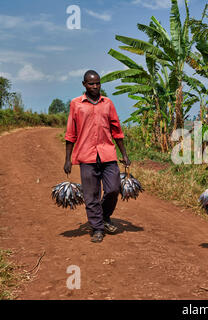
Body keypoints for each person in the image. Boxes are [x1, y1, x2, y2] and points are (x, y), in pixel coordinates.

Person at [64, 70, 131, 243]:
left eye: (98, 83)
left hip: (108, 154)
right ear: (84, 84)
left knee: (113, 189)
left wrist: (124, 154)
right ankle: (98, 228)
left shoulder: (107, 103)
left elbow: (117, 130)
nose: (95, 86)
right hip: (86, 157)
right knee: (91, 195)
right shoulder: (76, 104)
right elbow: (71, 133)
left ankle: (103, 216)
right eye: (91, 83)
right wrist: (68, 159)